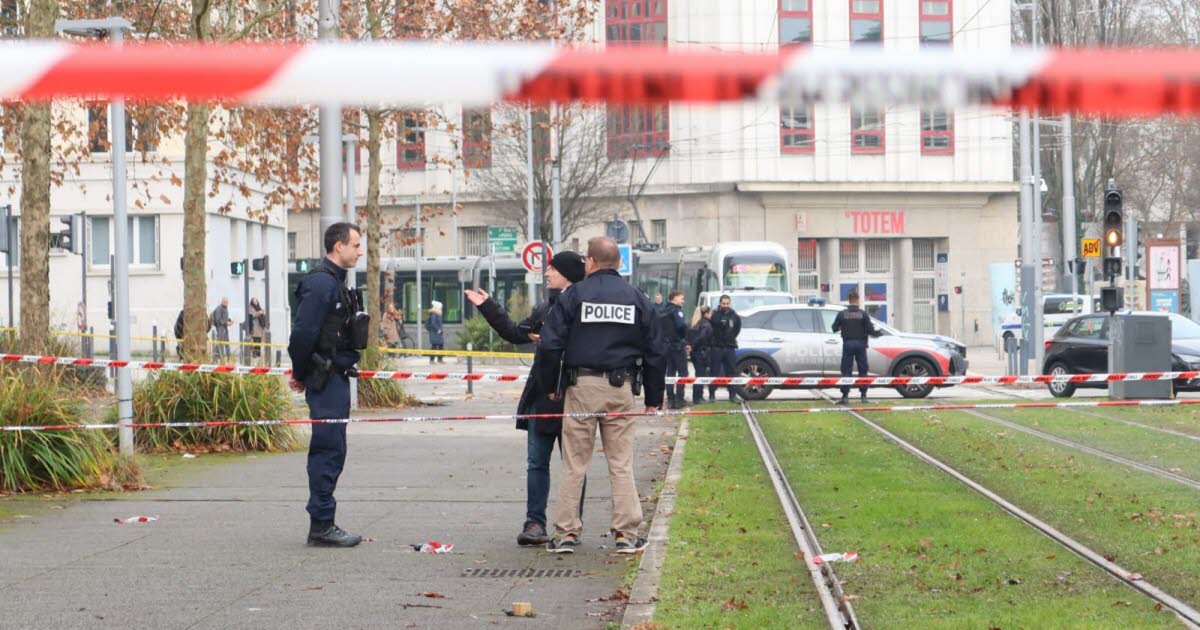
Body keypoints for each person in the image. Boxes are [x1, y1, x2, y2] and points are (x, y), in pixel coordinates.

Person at [538, 237, 665, 555]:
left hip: (581, 387)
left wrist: (552, 385)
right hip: (621, 389)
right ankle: (626, 535)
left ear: (590, 262)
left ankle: (566, 533)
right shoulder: (637, 297)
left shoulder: (574, 296)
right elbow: (656, 350)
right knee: (621, 463)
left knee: (575, 463)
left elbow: (551, 343)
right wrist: (654, 396)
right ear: (618, 263)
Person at [464, 251, 588, 547]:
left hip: (574, 396)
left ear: (567, 274)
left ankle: (571, 525)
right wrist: (489, 307)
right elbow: (516, 333)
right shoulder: (547, 307)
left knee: (574, 465)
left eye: (553, 269)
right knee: (536, 462)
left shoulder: (584, 308)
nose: (546, 274)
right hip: (542, 399)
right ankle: (535, 523)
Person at [287, 222, 369, 548]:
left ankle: (324, 521)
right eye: (356, 245)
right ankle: (321, 524)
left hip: (335, 376)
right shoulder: (321, 284)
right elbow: (303, 335)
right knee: (327, 449)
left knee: (335, 448)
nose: (359, 251)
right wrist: (300, 371)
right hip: (326, 377)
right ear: (338, 246)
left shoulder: (336, 282)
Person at [832, 290, 878, 406]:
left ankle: (845, 396)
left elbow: (834, 328)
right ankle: (863, 396)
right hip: (861, 345)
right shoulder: (863, 314)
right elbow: (871, 330)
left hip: (847, 344)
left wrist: (843, 326)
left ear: (849, 300)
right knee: (863, 369)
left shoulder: (842, 314)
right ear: (858, 300)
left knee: (846, 370)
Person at [658, 290, 689, 409]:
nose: (683, 301)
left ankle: (670, 399)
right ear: (674, 299)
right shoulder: (677, 311)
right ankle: (679, 400)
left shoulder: (663, 311)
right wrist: (684, 338)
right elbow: (681, 326)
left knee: (670, 373)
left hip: (666, 346)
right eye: (682, 298)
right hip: (677, 346)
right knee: (682, 373)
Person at [709, 295, 742, 402]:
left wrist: (730, 338)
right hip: (716, 347)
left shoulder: (734, 315)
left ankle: (732, 395)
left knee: (731, 371)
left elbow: (737, 329)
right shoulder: (714, 315)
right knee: (714, 371)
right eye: (723, 303)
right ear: (720, 303)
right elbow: (710, 330)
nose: (725, 305)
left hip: (729, 347)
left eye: (727, 303)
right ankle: (711, 395)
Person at [687, 305, 713, 404]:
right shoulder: (706, 324)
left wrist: (691, 346)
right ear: (706, 313)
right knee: (700, 375)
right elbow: (701, 338)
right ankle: (698, 398)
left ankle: (697, 397)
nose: (711, 315)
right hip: (701, 352)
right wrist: (694, 346)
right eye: (710, 313)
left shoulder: (694, 322)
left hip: (695, 353)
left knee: (698, 374)